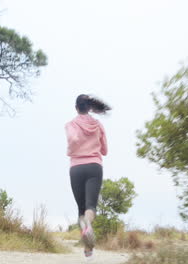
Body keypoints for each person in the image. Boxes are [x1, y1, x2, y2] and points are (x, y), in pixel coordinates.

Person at [65, 94, 111, 259]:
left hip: (76, 168)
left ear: (76, 108)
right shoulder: (98, 125)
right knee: (90, 206)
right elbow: (104, 150)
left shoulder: (70, 124)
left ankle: (88, 249)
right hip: (94, 167)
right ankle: (88, 228)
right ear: (90, 108)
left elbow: (72, 140)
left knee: (81, 208)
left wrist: (72, 150)